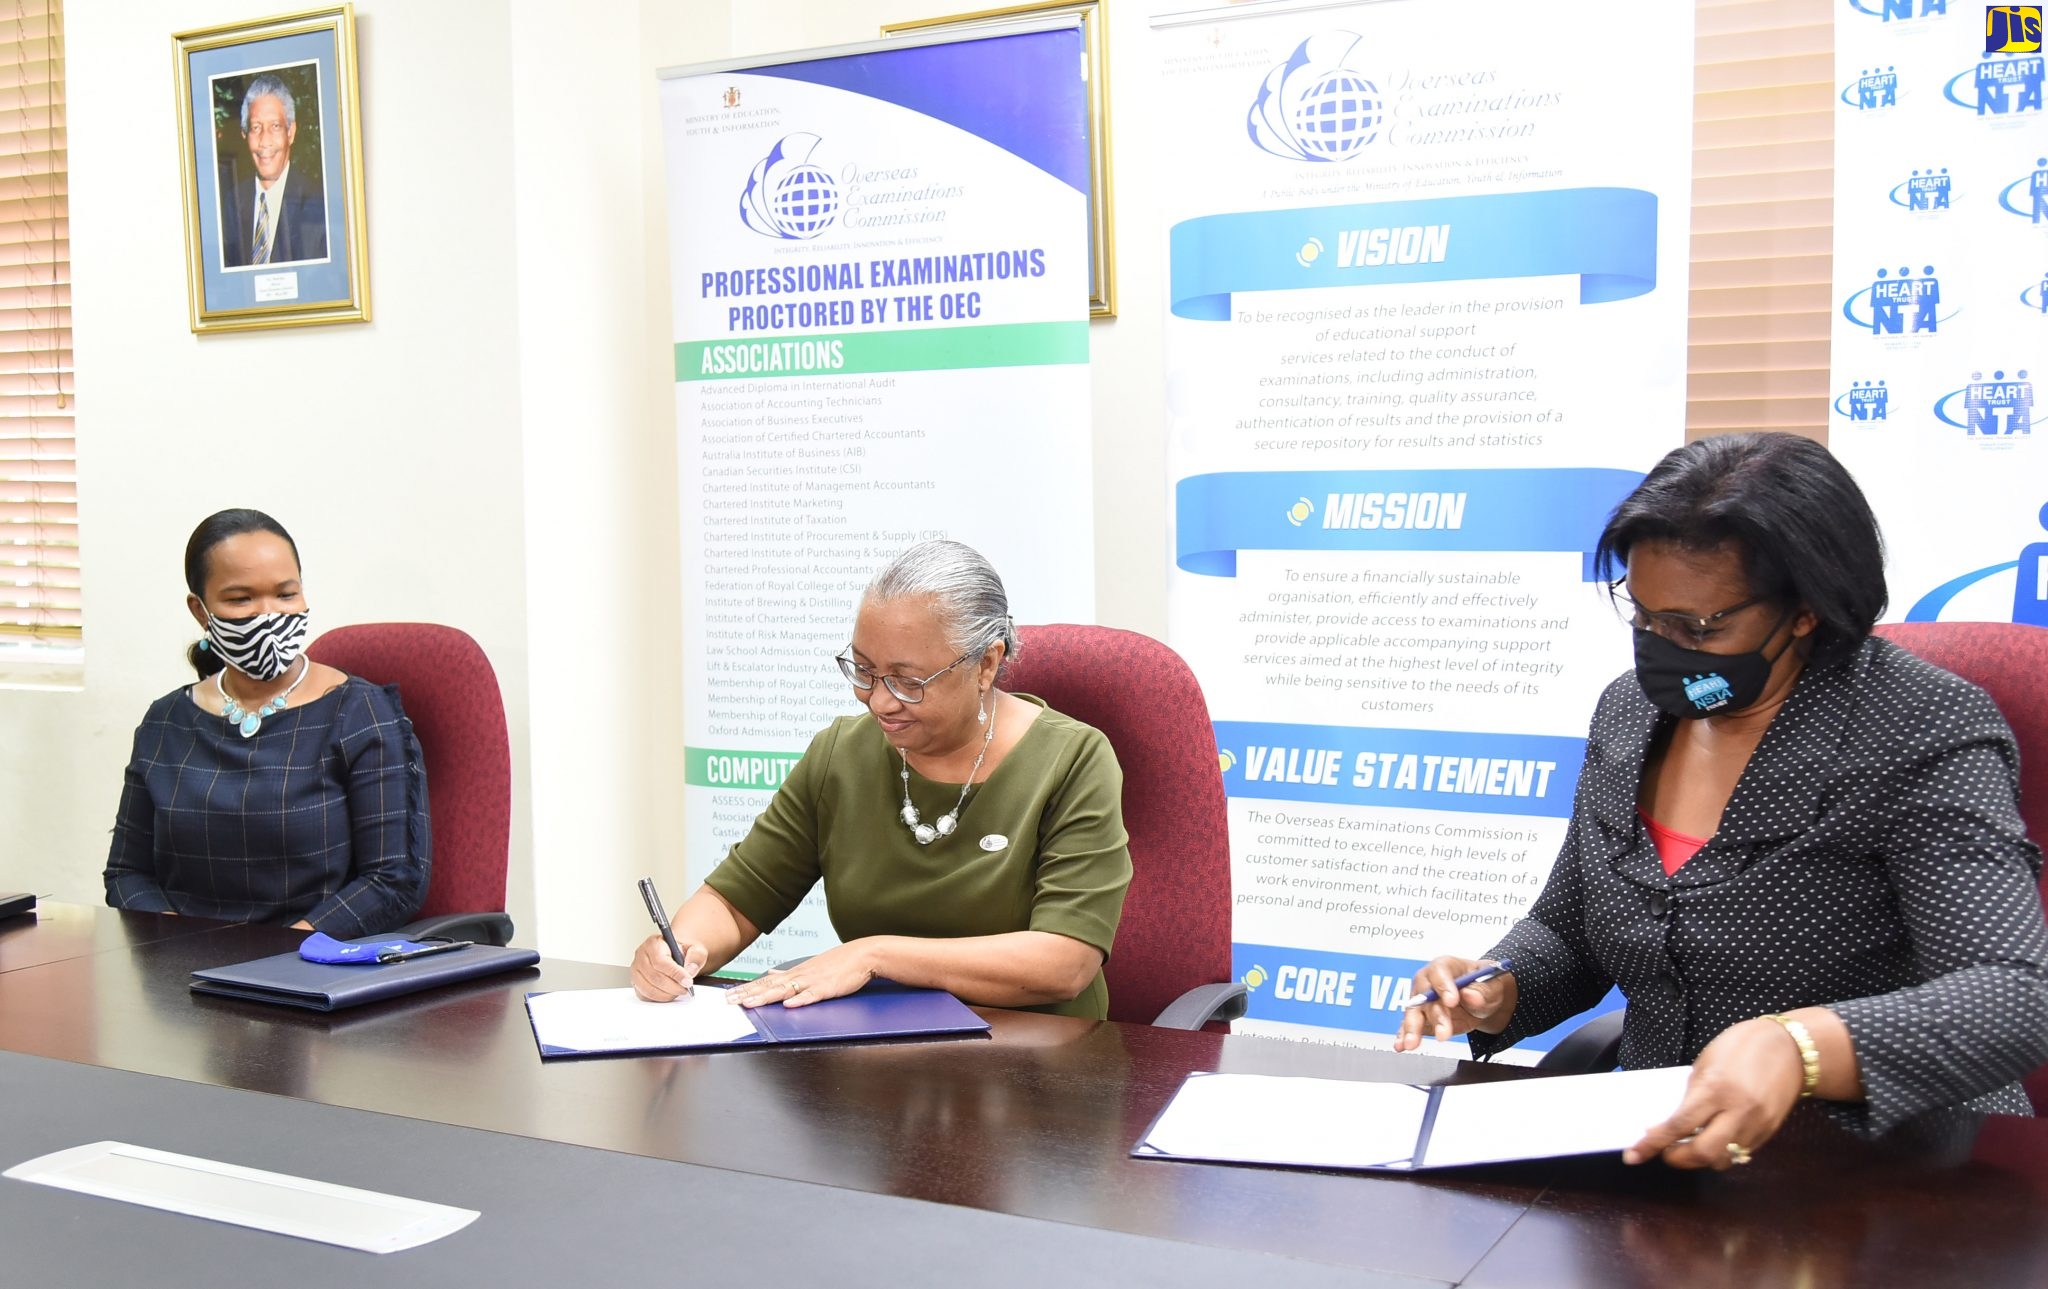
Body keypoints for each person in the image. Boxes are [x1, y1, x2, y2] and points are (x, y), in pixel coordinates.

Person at [1394, 433, 2048, 1169]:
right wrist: (1500, 984)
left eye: (1698, 628)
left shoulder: (1920, 726)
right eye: (1644, 615)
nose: (1660, 646)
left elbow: (2011, 997)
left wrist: (1797, 1045)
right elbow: (1571, 928)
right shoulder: (1627, 714)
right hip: (1665, 1158)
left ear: (1805, 609)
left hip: (1891, 1171)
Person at [631, 540, 1132, 1019]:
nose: (879, 701)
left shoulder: (1073, 760)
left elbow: (1066, 962)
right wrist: (681, 950)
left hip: (1037, 1063)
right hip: (872, 1058)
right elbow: (738, 899)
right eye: (864, 670)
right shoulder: (841, 755)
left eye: (908, 681)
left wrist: (876, 955)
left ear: (986, 665)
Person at [104, 509, 430, 936]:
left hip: (309, 968)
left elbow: (392, 881)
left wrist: (276, 956)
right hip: (179, 972)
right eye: (241, 599)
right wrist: (174, 949)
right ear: (200, 611)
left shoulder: (357, 712)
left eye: (285, 594)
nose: (269, 615)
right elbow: (127, 874)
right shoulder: (166, 721)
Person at [219, 73, 327, 267]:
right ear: (245, 134)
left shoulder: (318, 203)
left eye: (275, 126)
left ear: (291, 133)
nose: (265, 141)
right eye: (256, 127)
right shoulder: (233, 203)